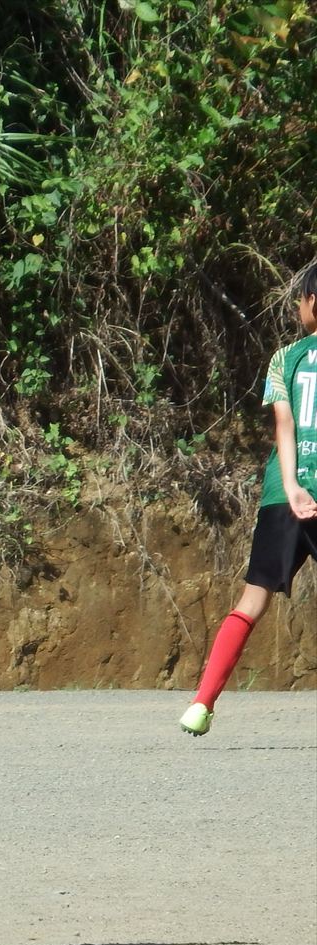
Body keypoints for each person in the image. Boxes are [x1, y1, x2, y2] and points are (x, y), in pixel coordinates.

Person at [180, 264, 317, 735]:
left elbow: (285, 424)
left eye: (300, 299)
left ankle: (201, 704)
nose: (296, 307)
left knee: (252, 601)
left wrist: (293, 485)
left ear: (313, 302)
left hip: (283, 494)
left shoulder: (285, 358)